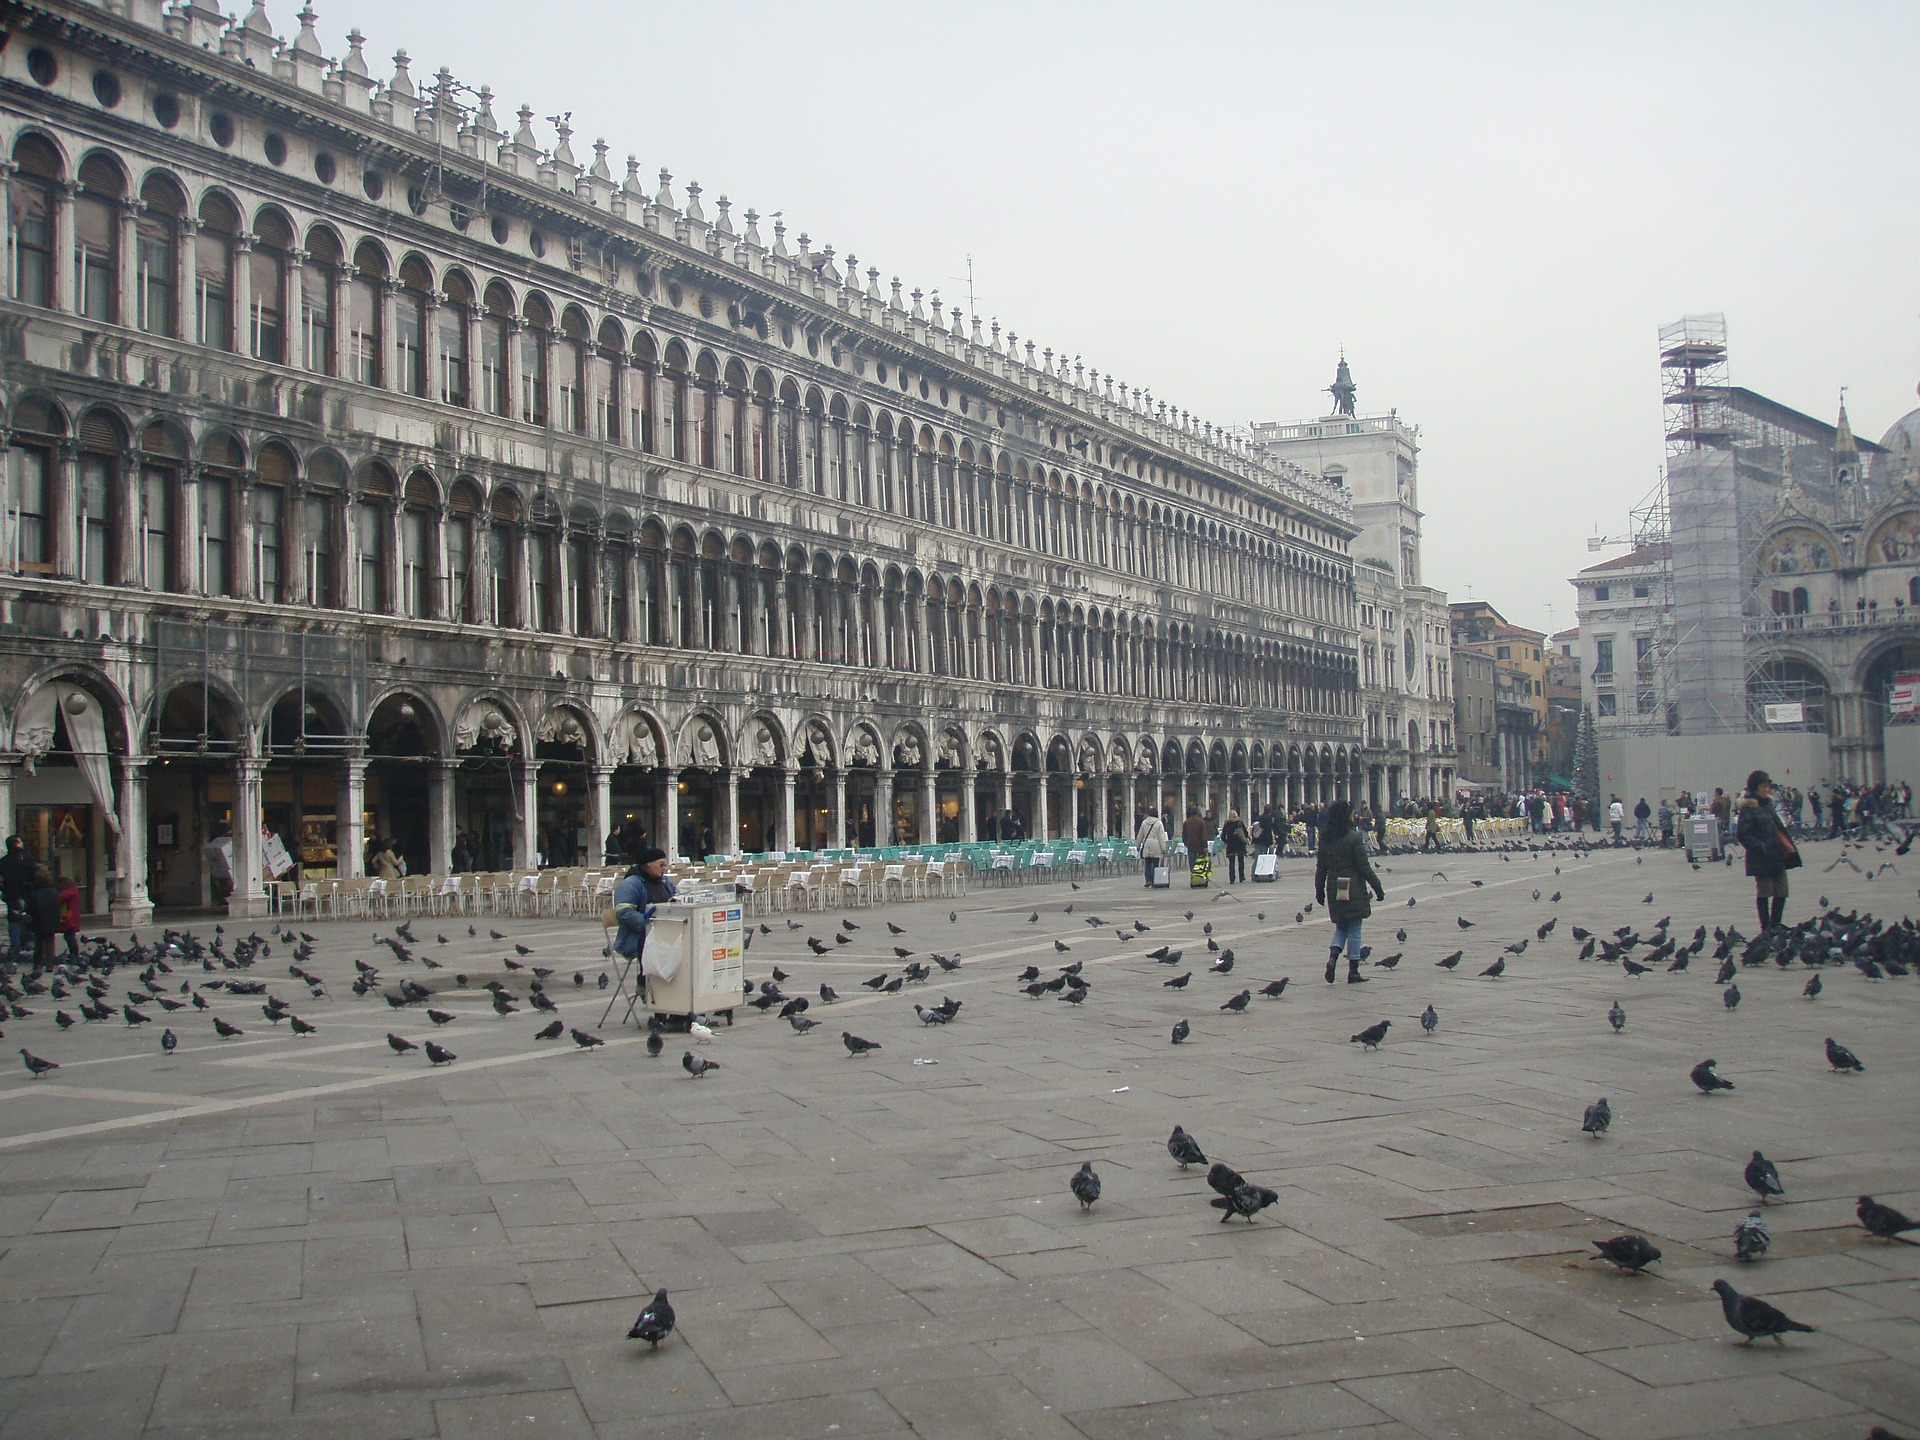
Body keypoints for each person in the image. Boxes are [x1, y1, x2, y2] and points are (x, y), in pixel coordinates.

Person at [1315, 800, 1386, 985]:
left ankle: (1333, 958)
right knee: (1354, 928)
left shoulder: (1324, 838)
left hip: (1333, 888)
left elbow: (1320, 868)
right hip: (1352, 887)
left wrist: (1319, 891)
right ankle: (1353, 971)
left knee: (1341, 927)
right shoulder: (1354, 838)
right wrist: (1377, 887)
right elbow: (1364, 867)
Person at [1735, 770, 1798, 932]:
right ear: (1755, 788)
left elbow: (1778, 829)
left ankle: (1776, 924)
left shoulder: (1768, 806)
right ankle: (1766, 927)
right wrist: (1760, 847)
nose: (1767, 789)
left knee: (1782, 890)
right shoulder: (1748, 808)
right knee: (1765, 892)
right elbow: (1742, 833)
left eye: (1768, 786)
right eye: (1763, 786)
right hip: (1762, 857)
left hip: (1777, 855)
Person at [612, 845, 678, 982]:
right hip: (639, 936)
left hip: (667, 930)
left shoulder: (665, 881)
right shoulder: (632, 883)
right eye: (661, 865)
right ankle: (644, 982)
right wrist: (645, 921)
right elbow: (623, 912)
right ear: (649, 864)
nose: (664, 868)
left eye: (665, 865)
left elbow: (677, 898)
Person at [1, 835, 35, 960]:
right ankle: (29, 943)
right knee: (27, 918)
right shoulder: (27, 858)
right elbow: (33, 874)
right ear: (16, 844)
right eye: (20, 841)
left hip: (11, 895)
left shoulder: (4, 861)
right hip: (26, 893)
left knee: (14, 920)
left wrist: (5, 889)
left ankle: (15, 946)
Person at [24, 865, 61, 972]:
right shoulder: (54, 892)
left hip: (39, 921)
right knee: (50, 943)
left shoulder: (35, 893)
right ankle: (50, 965)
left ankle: (38, 964)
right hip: (52, 921)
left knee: (39, 944)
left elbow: (29, 908)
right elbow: (60, 906)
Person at [1135, 809, 1168, 886]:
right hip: (1156, 844)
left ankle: (1148, 880)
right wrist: (1163, 848)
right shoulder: (1159, 823)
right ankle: (1154, 880)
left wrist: (1138, 845)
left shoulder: (1144, 822)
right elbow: (1161, 837)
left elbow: (1140, 835)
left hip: (1147, 844)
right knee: (1155, 863)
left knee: (1148, 863)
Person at [55, 872, 82, 958]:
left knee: (69, 936)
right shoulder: (74, 891)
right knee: (70, 936)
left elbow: (59, 898)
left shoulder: (68, 892)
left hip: (69, 917)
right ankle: (74, 954)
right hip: (73, 917)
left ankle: (74, 954)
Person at [1220, 810, 1249, 884]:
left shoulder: (1227, 824)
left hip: (1231, 845)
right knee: (1241, 861)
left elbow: (1223, 836)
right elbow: (1245, 833)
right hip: (1240, 844)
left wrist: (1227, 841)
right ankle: (1241, 877)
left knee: (1231, 862)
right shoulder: (1240, 822)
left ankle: (1232, 878)